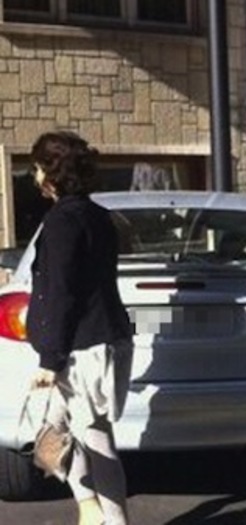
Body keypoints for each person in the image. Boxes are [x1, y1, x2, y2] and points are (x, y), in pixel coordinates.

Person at [26, 131, 133, 525]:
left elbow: (62, 293)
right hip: (97, 339)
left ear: (52, 173)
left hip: (82, 347)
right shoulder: (95, 215)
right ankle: (89, 508)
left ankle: (112, 519)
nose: (34, 176)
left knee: (96, 439)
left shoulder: (63, 221)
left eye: (37, 167)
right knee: (52, 435)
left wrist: (50, 359)